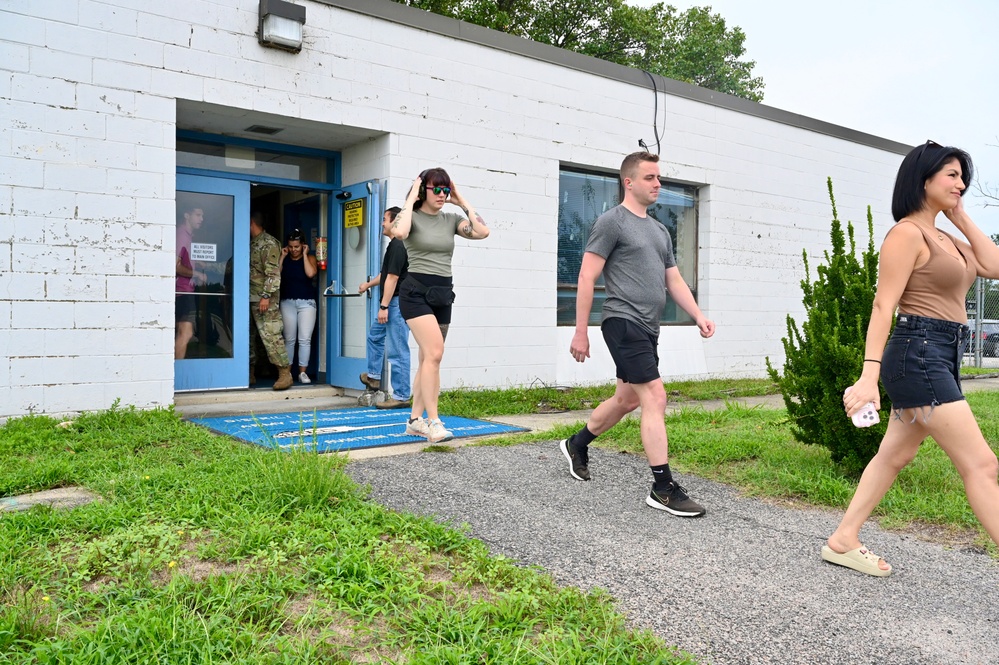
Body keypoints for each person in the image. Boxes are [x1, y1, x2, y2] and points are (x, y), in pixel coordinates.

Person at [824, 141, 999, 576]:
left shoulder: (946, 236)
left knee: (893, 456)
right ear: (923, 179)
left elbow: (994, 266)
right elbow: (884, 305)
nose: (961, 184)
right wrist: (868, 378)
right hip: (918, 352)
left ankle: (843, 539)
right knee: (982, 465)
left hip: (941, 352)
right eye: (952, 175)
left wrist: (957, 214)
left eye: (963, 177)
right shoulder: (906, 234)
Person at [562, 151, 715, 517]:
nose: (658, 184)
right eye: (650, 178)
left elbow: (672, 279)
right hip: (622, 320)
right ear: (628, 182)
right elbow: (586, 276)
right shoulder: (611, 222)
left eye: (659, 178)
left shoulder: (660, 229)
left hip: (649, 326)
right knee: (655, 397)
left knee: (627, 400)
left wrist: (696, 314)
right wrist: (580, 331)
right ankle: (662, 488)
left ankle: (577, 444)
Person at [392, 168, 490, 442]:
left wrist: (461, 201)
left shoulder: (451, 219)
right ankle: (434, 422)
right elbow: (398, 231)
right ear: (424, 189)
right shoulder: (411, 216)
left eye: (445, 189)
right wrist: (412, 197)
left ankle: (414, 421)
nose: (442, 194)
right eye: (437, 189)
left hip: (442, 294)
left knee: (428, 359)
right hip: (415, 293)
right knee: (434, 353)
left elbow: (483, 232)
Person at [359, 206, 412, 409]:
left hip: (396, 304)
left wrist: (384, 306)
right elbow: (386, 274)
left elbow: (393, 277)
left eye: (384, 219)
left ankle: (401, 395)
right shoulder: (393, 245)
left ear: (395, 222)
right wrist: (368, 285)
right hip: (391, 303)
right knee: (375, 337)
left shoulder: (399, 244)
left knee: (398, 350)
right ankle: (373, 377)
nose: (382, 223)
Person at [249, 211, 293, 390]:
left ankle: (285, 373)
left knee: (271, 335)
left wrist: (266, 296)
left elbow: (273, 274)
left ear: (252, 222)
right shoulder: (251, 243)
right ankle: (249, 372)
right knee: (250, 337)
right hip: (249, 297)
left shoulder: (268, 243)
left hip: (263, 298)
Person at [278, 229, 318, 384]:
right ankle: (286, 373)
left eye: (297, 246)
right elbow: (276, 275)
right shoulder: (286, 259)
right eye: (291, 246)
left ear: (303, 245)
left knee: (304, 339)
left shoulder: (310, 258)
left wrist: (305, 256)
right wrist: (282, 257)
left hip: (307, 303)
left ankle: (302, 373)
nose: (294, 250)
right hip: (287, 302)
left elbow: (310, 274)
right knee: (289, 339)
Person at [175, 206, 207, 359]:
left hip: (185, 291)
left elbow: (184, 260)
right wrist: (197, 273)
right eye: (198, 215)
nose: (201, 219)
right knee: (186, 333)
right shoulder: (182, 235)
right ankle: (178, 372)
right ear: (187, 215)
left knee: (183, 333)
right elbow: (175, 266)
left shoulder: (188, 236)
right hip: (182, 291)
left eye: (202, 215)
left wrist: (196, 261)